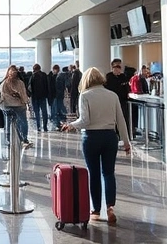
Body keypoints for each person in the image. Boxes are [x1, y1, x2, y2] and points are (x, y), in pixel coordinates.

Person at [62, 67, 131, 225]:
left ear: (85, 80)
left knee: (93, 173)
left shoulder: (84, 96)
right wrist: (126, 143)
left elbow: (85, 121)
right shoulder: (112, 95)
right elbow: (121, 121)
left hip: (91, 138)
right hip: (110, 137)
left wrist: (71, 125)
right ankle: (110, 208)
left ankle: (96, 209)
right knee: (108, 173)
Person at [0, 65, 31, 147]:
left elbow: (3, 96)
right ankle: (24, 138)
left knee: (8, 122)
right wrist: (25, 102)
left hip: (8, 106)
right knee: (23, 121)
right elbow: (24, 94)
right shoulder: (20, 83)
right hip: (20, 105)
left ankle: (8, 140)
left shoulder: (4, 83)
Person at [104, 59, 131, 136]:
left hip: (123, 101)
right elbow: (108, 88)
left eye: (119, 66)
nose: (118, 68)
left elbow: (126, 87)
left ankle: (124, 135)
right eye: (116, 66)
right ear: (112, 66)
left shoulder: (123, 76)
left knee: (123, 119)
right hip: (112, 102)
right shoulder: (108, 77)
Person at [28, 64, 50, 133]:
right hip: (43, 97)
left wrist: (30, 96)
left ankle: (38, 127)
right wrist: (47, 95)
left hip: (35, 97)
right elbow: (47, 86)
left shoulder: (32, 76)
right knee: (44, 112)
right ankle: (45, 127)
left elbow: (29, 88)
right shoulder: (44, 75)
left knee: (37, 113)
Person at [50, 65, 66, 130]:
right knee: (59, 109)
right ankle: (61, 122)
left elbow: (54, 87)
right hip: (60, 95)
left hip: (56, 96)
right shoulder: (62, 76)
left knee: (56, 110)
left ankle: (57, 124)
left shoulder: (54, 77)